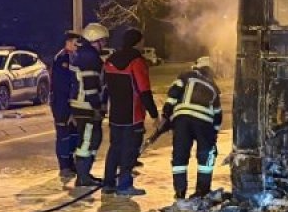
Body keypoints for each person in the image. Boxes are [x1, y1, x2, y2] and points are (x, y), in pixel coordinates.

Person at [102, 28, 160, 196]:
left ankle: (108, 183)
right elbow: (144, 91)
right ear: (137, 42)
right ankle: (125, 185)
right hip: (133, 115)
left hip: (116, 114)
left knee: (115, 148)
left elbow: (106, 88)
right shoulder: (137, 62)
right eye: (142, 41)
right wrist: (154, 114)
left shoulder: (110, 60)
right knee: (130, 149)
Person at [164, 56, 222, 200]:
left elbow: (173, 94)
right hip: (205, 124)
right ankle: (202, 191)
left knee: (180, 156)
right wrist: (214, 133)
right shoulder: (214, 87)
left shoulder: (186, 76)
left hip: (182, 121)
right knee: (205, 157)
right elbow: (218, 114)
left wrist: (167, 113)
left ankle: (180, 191)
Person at [69, 22, 109, 188]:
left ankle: (85, 173)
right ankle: (83, 176)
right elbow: (91, 85)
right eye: (103, 41)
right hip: (86, 106)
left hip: (83, 105)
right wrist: (97, 107)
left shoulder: (84, 54)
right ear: (95, 40)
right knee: (87, 141)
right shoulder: (89, 58)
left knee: (93, 139)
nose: (104, 45)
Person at [50, 30, 81, 181]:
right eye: (74, 43)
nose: (76, 46)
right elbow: (62, 86)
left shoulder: (76, 58)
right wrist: (68, 107)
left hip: (74, 103)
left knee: (74, 135)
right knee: (63, 135)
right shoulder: (61, 59)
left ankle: (71, 163)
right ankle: (64, 166)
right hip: (61, 103)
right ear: (67, 43)